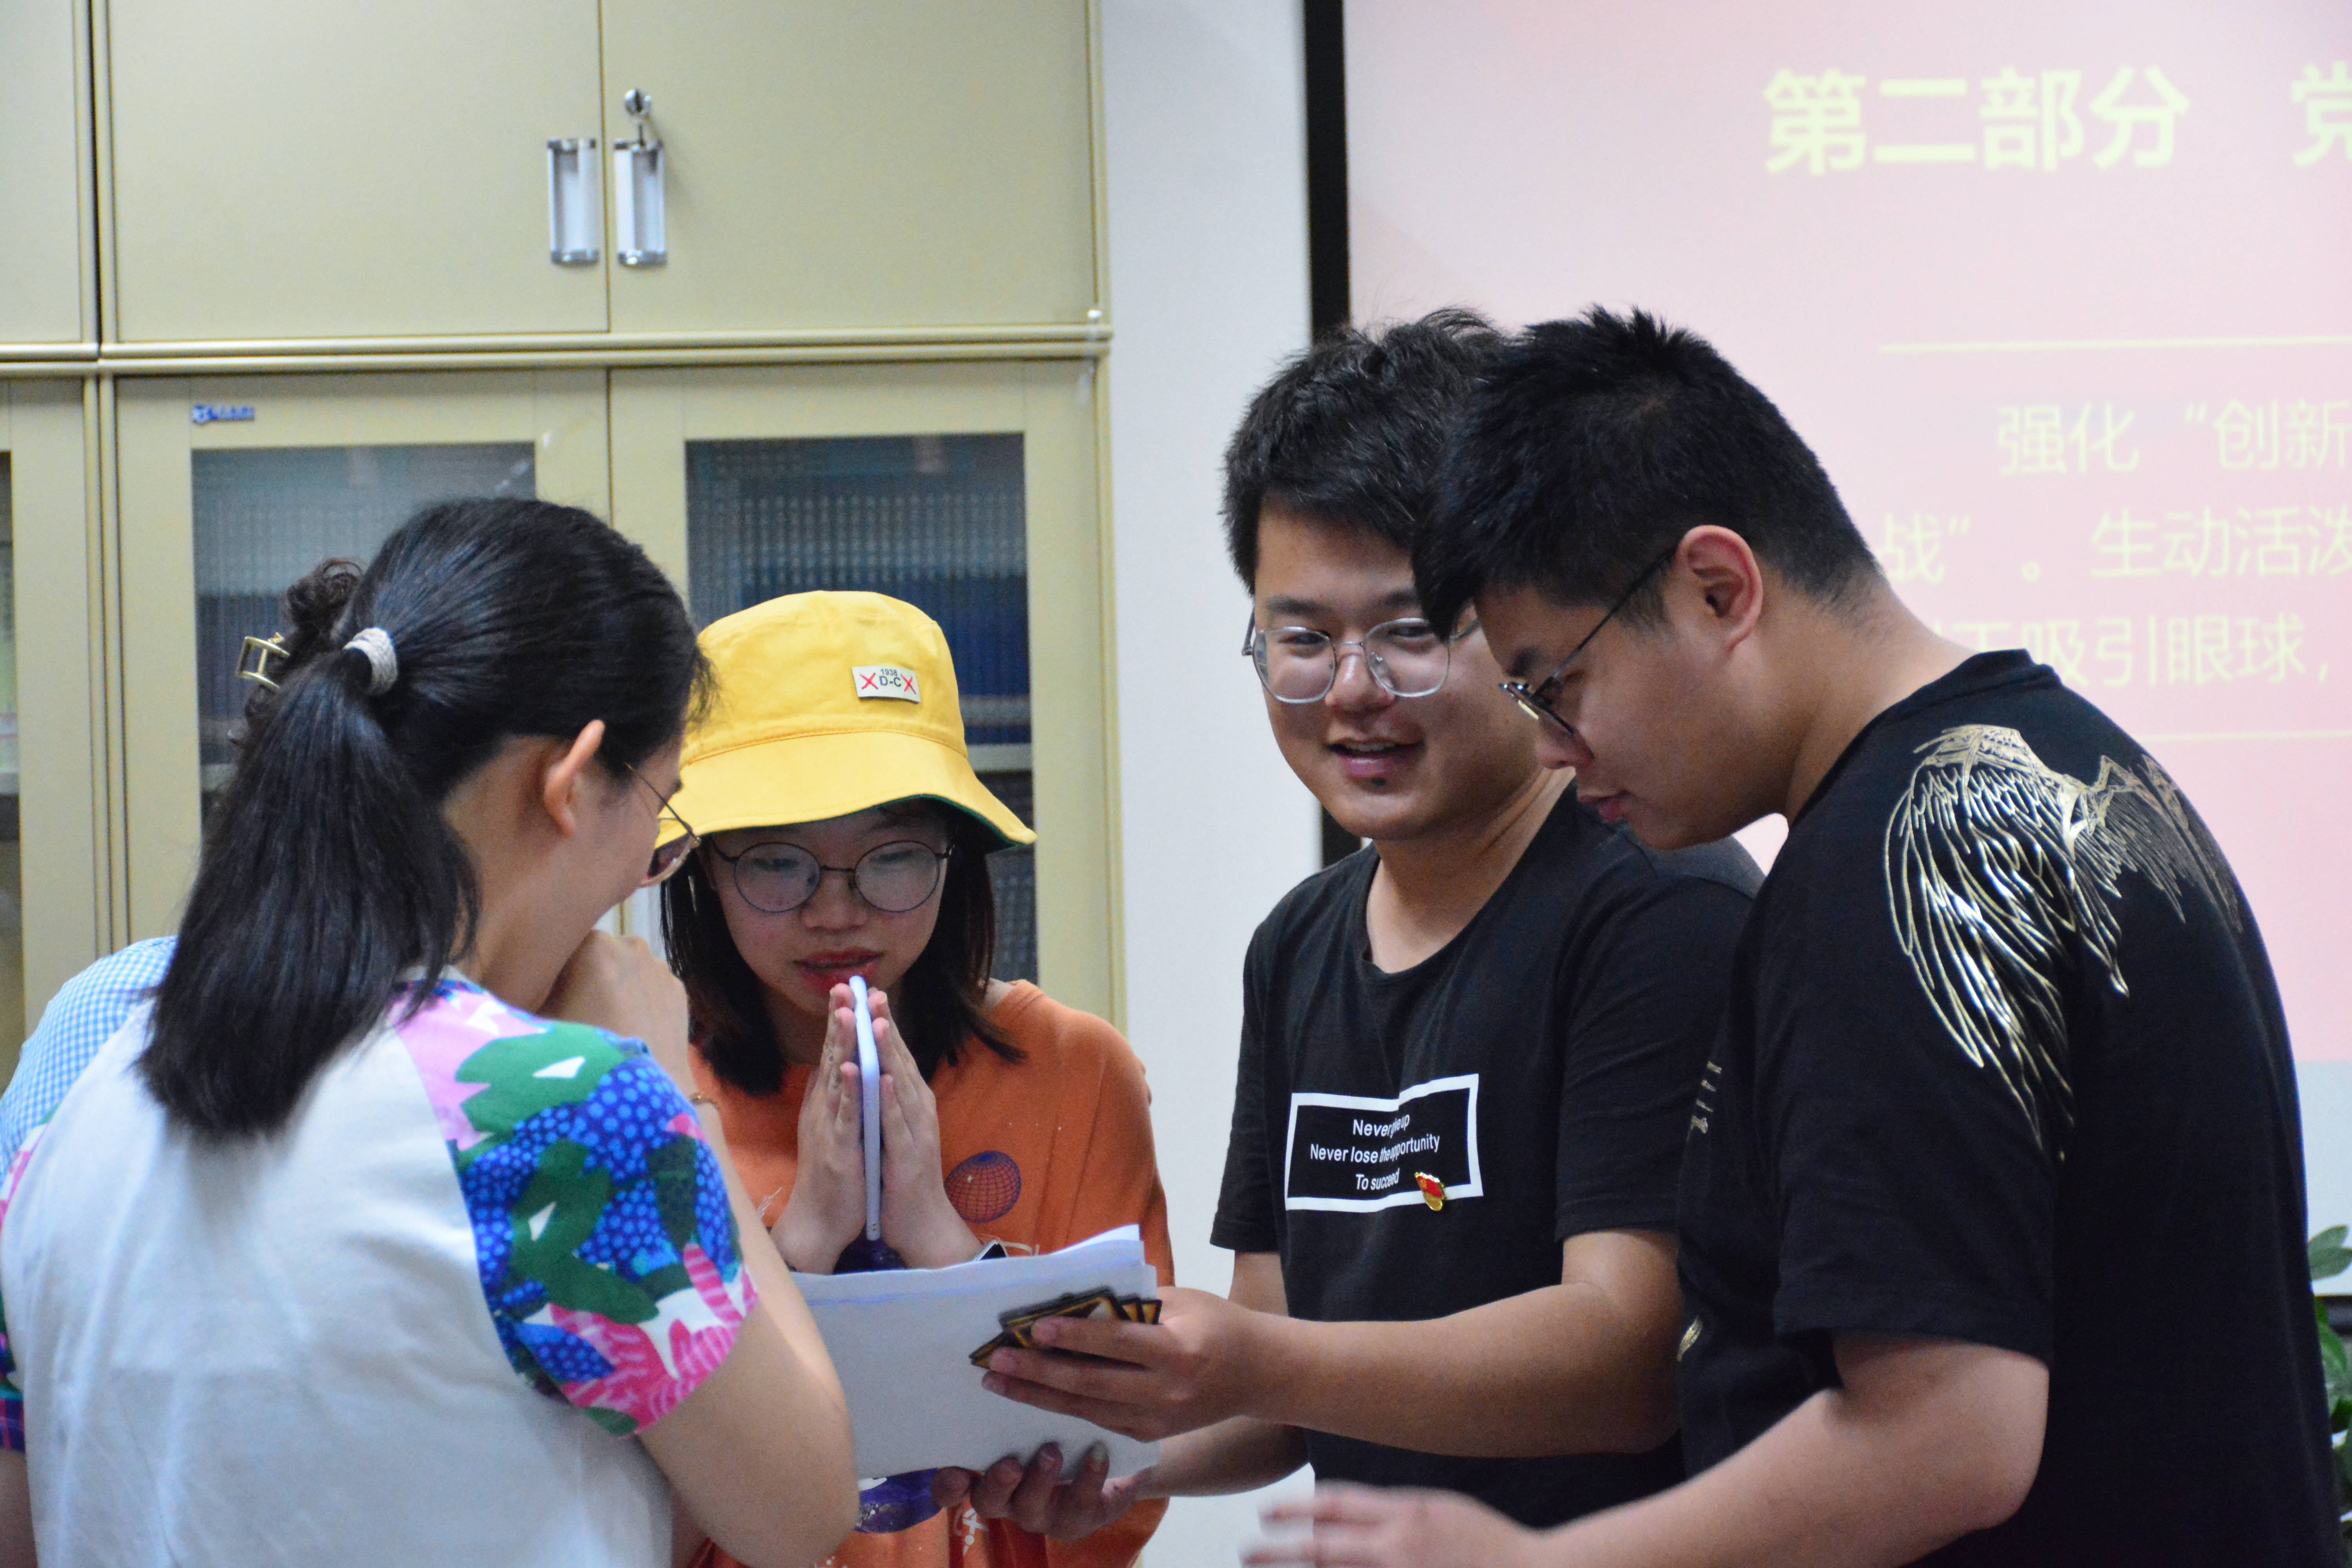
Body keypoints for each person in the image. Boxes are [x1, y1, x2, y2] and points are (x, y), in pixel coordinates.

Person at [1254, 308, 2340, 1566]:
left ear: (1718, 589)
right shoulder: (2070, 759)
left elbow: (1948, 1434)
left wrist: (1540, 1565)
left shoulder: (1890, 863)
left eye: (1559, 686)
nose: (1553, 747)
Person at [954, 312, 1757, 1537]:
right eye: (1302, 639)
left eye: (1409, 632)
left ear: (1523, 619)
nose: (1350, 691)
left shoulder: (1658, 904)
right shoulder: (1299, 946)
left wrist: (1254, 1360)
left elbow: (1626, 1359)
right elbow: (1278, 1377)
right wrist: (1117, 1458)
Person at [0, 499, 858, 1568]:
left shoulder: (78, 1113)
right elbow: (803, 1509)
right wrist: (673, 1095)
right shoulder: (557, 1109)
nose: (645, 870)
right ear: (570, 783)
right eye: (660, 816)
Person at [656, 590, 1174, 1568]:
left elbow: (1125, 1475)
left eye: (892, 857)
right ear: (702, 867)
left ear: (955, 857)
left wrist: (941, 1237)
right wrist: (801, 1243)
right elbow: (616, 1513)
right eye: (777, 861)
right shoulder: (646, 1098)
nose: (836, 912)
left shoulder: (1075, 1070)